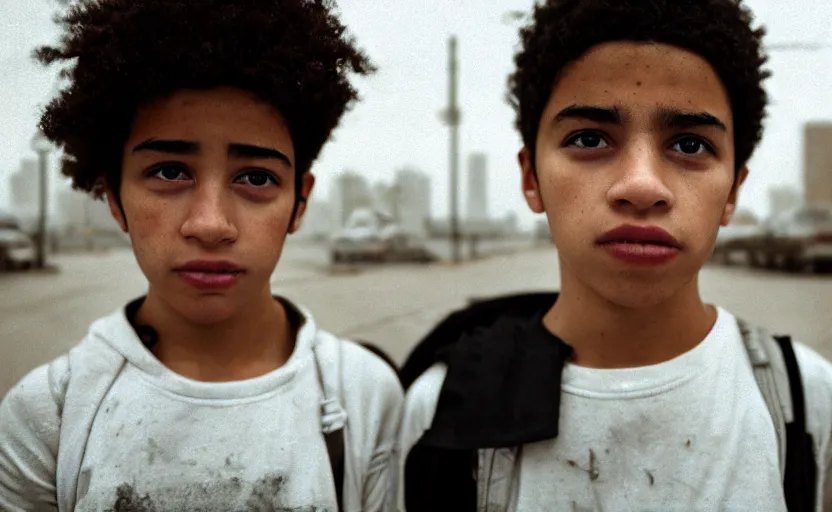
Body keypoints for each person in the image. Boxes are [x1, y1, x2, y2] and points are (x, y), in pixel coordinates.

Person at [399, 1, 832, 510]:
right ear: (531, 178)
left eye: (690, 146)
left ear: (733, 191)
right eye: (589, 138)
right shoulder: (441, 408)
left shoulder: (807, 400)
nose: (642, 186)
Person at [0, 1, 403, 510]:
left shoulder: (363, 396)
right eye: (170, 172)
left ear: (299, 202)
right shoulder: (48, 415)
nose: (211, 224)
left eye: (256, 178)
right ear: (114, 198)